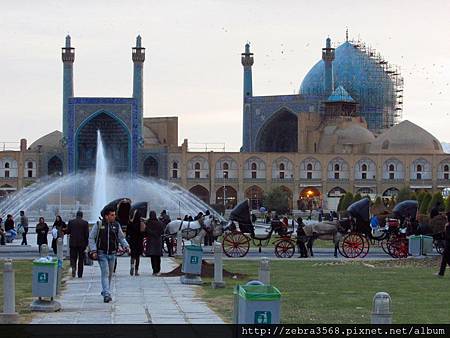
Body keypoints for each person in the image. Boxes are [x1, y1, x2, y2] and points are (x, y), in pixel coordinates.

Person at [88, 206, 129, 303]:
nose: (114, 216)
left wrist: (126, 246)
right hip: (102, 253)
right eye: (112, 215)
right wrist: (93, 250)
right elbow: (91, 238)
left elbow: (121, 237)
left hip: (113, 253)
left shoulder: (116, 225)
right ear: (106, 216)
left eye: (114, 215)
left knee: (110, 274)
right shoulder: (99, 224)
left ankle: (105, 290)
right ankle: (106, 294)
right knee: (105, 273)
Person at [67, 211, 89, 278]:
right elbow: (87, 235)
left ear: (76, 215)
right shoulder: (85, 223)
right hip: (82, 244)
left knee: (73, 257)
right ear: (82, 216)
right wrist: (86, 244)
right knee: (81, 259)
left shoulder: (71, 222)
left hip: (73, 243)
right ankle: (80, 274)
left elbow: (68, 232)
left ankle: (73, 267)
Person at [144, 211, 164, 275]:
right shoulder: (160, 223)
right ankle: (158, 270)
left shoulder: (148, 223)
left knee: (153, 257)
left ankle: (154, 270)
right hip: (158, 241)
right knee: (158, 257)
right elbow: (162, 231)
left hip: (151, 241)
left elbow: (145, 232)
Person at [127, 210, 145, 276]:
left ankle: (132, 266)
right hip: (139, 242)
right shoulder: (141, 224)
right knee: (137, 256)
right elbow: (143, 233)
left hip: (132, 241)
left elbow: (128, 232)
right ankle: (136, 270)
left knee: (132, 255)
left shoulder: (131, 223)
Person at [437, 212, 450, 277]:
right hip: (448, 244)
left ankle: (441, 273)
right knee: (445, 258)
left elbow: (448, 236)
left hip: (448, 244)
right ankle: (441, 273)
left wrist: (445, 231)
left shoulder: (448, 226)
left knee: (445, 258)